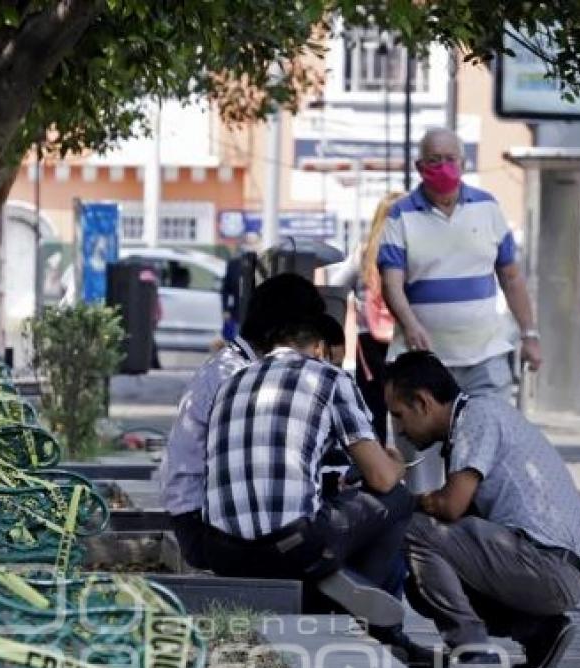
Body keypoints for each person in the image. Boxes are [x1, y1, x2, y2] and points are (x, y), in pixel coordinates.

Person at [201, 314, 418, 633]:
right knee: (397, 499)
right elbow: (382, 477)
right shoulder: (328, 378)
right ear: (319, 349)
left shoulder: (232, 381)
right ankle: (375, 629)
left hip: (220, 550)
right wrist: (396, 465)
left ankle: (342, 602)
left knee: (329, 507)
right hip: (291, 548)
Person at [383, 352, 580, 668]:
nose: (399, 430)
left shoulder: (474, 419)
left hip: (547, 566)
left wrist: (402, 495)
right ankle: (540, 631)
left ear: (423, 403)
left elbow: (451, 506)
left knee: (416, 529)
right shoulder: (481, 412)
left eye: (399, 415)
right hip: (558, 568)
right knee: (423, 585)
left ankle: (472, 650)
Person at [160, 273, 334, 570]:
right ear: (288, 331)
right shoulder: (236, 375)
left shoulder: (240, 365)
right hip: (202, 527)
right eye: (308, 335)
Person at [378, 129, 542, 398]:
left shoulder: (487, 208)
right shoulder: (400, 215)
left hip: (484, 359)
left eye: (450, 159)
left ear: (463, 165)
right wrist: (410, 325)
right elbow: (390, 283)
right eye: (434, 160)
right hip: (422, 360)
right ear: (419, 167)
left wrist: (530, 335)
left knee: (487, 436)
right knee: (424, 440)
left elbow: (511, 278)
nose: (443, 167)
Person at [330, 191, 403, 444]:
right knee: (411, 409)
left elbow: (336, 286)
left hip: (369, 341)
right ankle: (410, 471)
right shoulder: (412, 249)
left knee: (372, 409)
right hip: (406, 337)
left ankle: (376, 474)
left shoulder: (364, 252)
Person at [220, 231, 261, 339]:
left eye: (254, 243)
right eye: (248, 243)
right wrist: (225, 309)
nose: (251, 246)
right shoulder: (234, 264)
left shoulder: (263, 265)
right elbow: (226, 289)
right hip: (238, 313)